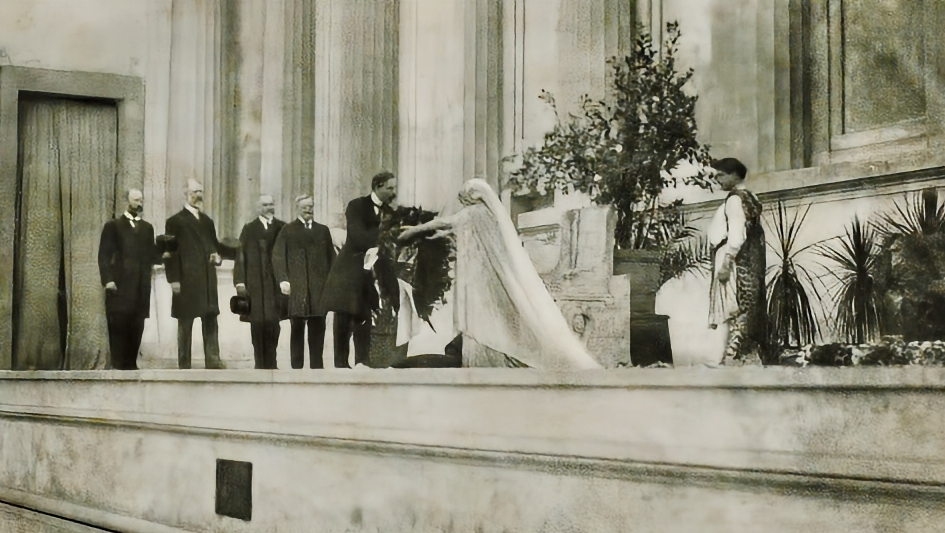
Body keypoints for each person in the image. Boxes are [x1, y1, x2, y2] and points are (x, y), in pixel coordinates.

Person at [397, 179, 602, 370]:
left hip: (480, 282)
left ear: (472, 197)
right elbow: (453, 230)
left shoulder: (473, 214)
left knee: (484, 322)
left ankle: (486, 359)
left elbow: (444, 223)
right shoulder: (489, 216)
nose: (462, 202)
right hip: (487, 278)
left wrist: (414, 231)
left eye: (463, 198)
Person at [321, 171, 397, 368]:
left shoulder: (391, 212)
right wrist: (384, 238)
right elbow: (357, 235)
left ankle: (362, 363)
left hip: (371, 274)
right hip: (349, 270)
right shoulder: (356, 205)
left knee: (365, 316)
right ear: (378, 186)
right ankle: (340, 364)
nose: (393, 192)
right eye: (389, 188)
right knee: (344, 317)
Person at [163, 179, 236, 369]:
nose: (198, 196)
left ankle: (213, 359)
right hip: (186, 280)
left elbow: (215, 247)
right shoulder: (175, 221)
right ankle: (184, 362)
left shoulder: (207, 222)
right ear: (185, 194)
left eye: (201, 192)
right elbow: (169, 253)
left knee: (210, 319)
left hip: (207, 279)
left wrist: (217, 257)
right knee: (185, 322)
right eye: (195, 192)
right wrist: (174, 279)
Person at [706, 158, 768, 365]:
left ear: (734, 175)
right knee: (741, 307)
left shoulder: (735, 200)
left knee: (734, 308)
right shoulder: (750, 197)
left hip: (735, 261)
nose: (717, 179)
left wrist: (725, 264)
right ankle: (735, 356)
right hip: (747, 261)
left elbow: (737, 235)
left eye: (721, 175)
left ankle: (733, 357)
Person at [97, 189, 161, 370]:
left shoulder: (147, 228)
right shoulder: (114, 226)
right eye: (135, 200)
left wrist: (165, 249)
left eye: (141, 200)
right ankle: (118, 365)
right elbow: (104, 255)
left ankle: (131, 365)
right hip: (120, 286)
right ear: (127, 201)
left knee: (137, 323)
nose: (139, 203)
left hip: (140, 286)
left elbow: (152, 255)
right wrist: (108, 280)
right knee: (119, 324)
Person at [272, 195, 336, 369]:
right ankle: (297, 369)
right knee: (297, 328)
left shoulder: (322, 231)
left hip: (318, 288)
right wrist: (283, 279)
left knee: (318, 327)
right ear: (297, 208)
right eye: (305, 207)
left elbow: (332, 259)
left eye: (311, 207)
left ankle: (317, 368)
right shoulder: (288, 230)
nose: (308, 210)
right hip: (297, 287)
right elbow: (278, 257)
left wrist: (331, 283)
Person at [234, 194, 286, 369]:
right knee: (257, 322)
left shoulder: (282, 227)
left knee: (273, 321)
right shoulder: (249, 229)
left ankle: (272, 361)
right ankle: (259, 362)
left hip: (274, 283)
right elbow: (240, 256)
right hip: (254, 282)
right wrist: (240, 281)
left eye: (271, 204)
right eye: (265, 205)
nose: (268, 207)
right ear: (258, 208)